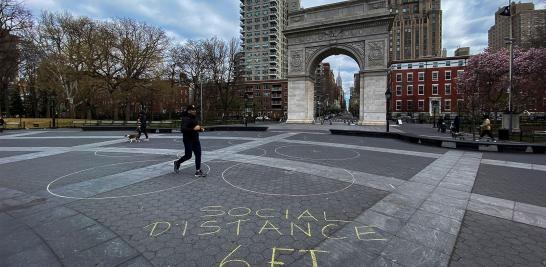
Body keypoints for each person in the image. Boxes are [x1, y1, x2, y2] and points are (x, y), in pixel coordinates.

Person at [174, 105, 206, 177]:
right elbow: (183, 129)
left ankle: (198, 171)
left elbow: (195, 127)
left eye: (194, 110)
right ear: (188, 111)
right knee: (188, 155)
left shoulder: (195, 118)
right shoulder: (185, 119)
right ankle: (177, 162)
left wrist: (200, 129)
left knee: (198, 154)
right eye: (192, 110)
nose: (194, 111)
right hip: (188, 139)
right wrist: (194, 129)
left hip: (195, 139)